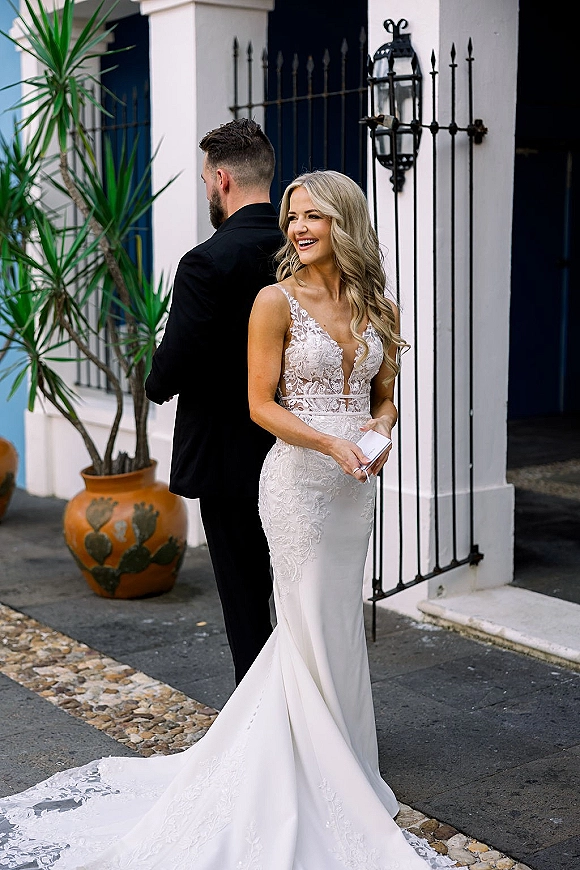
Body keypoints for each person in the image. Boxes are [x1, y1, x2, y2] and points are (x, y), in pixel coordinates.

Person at [0, 172, 453, 870]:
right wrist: (331, 441)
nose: (299, 228)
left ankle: (347, 759)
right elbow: (260, 405)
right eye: (292, 217)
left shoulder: (376, 306)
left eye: (315, 217)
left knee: (335, 620)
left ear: (345, 222)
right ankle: (306, 769)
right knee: (301, 619)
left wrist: (378, 432)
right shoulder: (274, 301)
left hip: (352, 489)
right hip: (299, 484)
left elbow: (385, 394)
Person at [145, 118, 282, 684]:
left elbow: (174, 363)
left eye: (205, 180)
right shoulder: (306, 252)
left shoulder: (207, 262)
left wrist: (155, 378)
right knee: (301, 596)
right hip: (302, 447)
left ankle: (263, 729)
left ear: (222, 179)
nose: (206, 190)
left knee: (247, 601)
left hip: (230, 458)